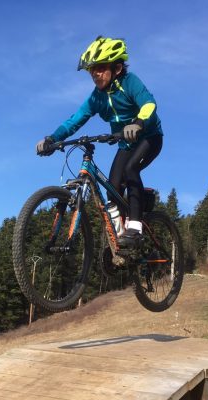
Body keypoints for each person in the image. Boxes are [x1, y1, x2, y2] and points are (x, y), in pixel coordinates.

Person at [36, 36, 163, 248]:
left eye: (101, 68)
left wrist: (139, 123)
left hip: (149, 137)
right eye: (92, 70)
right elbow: (76, 119)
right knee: (112, 188)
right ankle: (120, 241)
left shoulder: (130, 82)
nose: (95, 74)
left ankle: (135, 228)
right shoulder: (97, 97)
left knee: (131, 169)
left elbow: (149, 104)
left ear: (117, 68)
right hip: (126, 144)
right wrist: (53, 138)